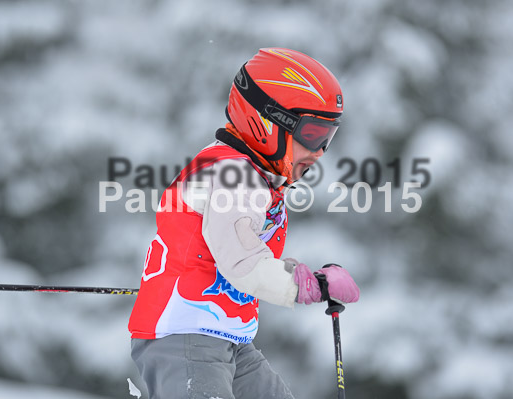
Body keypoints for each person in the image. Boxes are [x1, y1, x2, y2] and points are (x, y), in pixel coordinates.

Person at [128, 47, 360, 399]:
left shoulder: (251, 175)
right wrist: (309, 286)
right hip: (187, 339)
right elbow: (244, 265)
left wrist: (302, 276)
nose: (320, 151)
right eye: (313, 134)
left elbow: (241, 255)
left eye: (329, 137)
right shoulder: (234, 175)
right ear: (268, 121)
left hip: (227, 340)